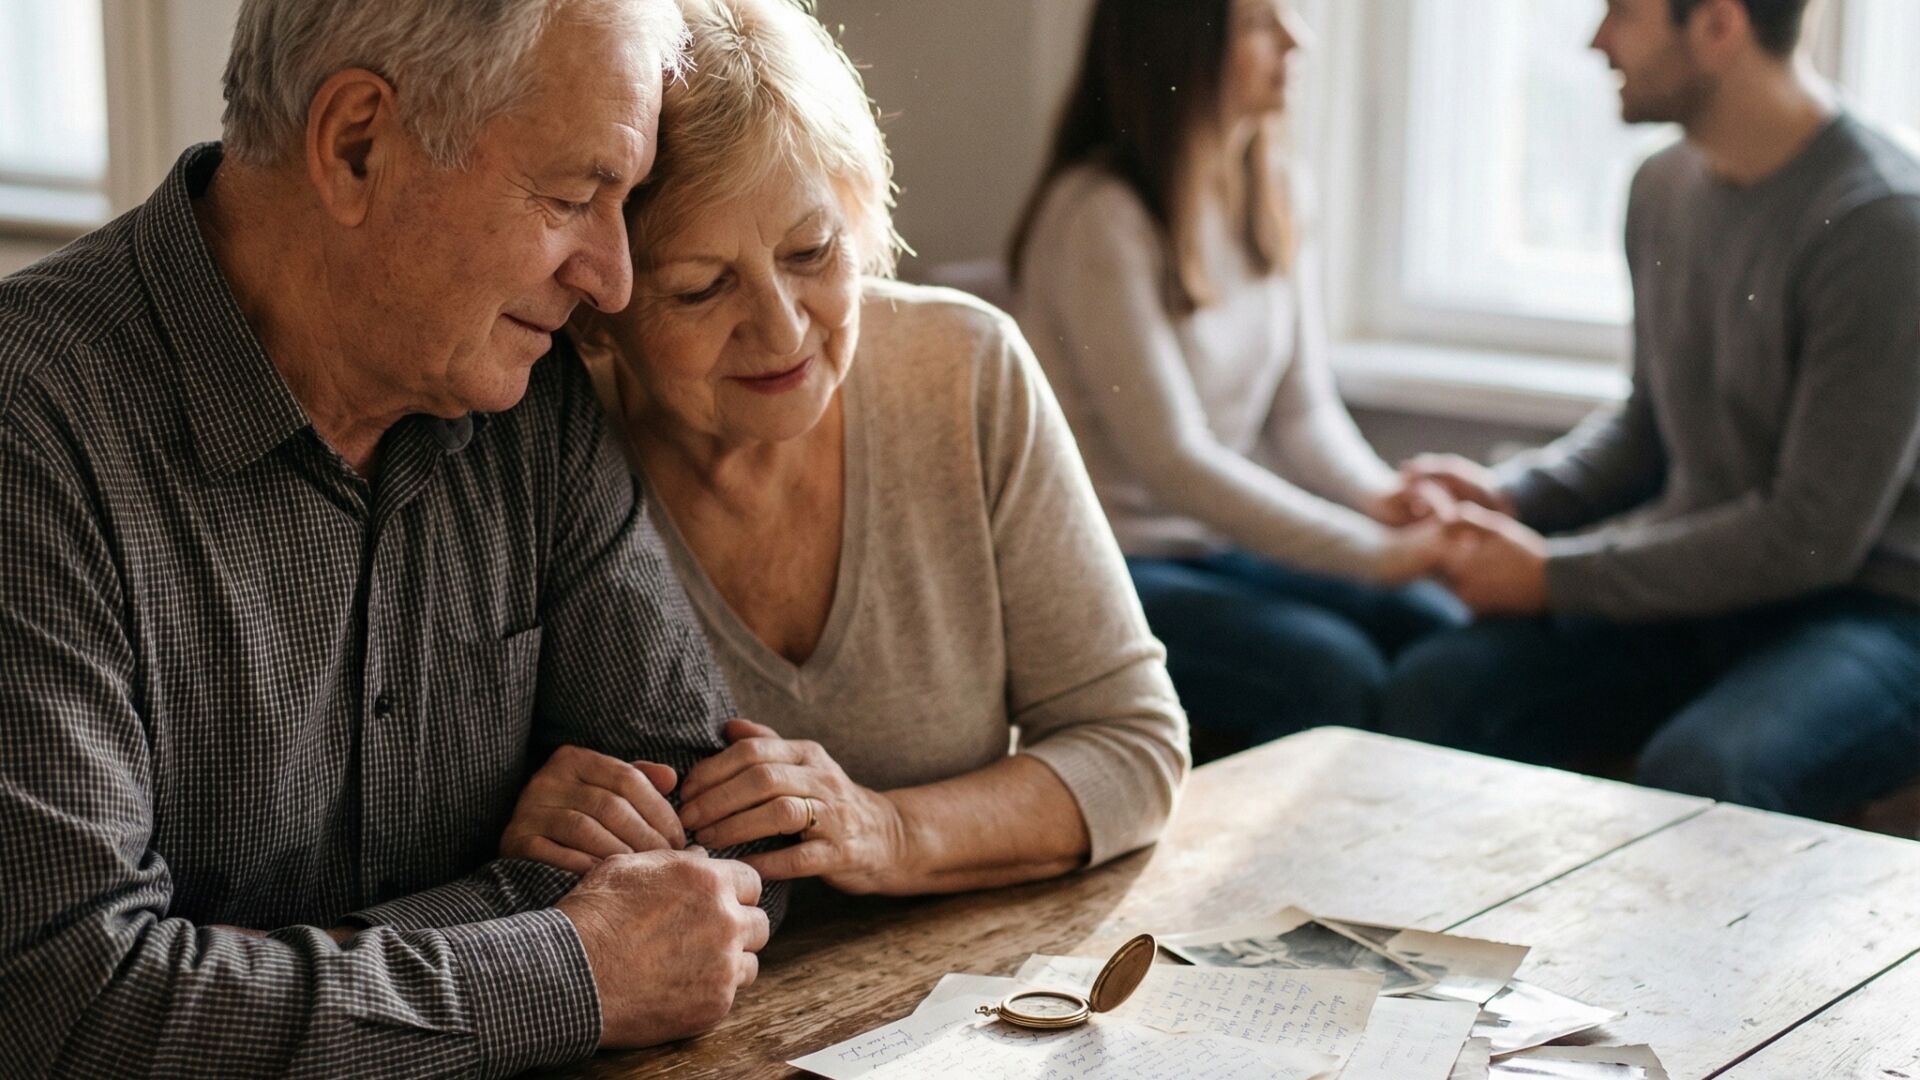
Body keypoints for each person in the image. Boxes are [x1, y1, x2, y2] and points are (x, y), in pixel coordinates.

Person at [0, 1, 788, 1074]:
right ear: (357, 146)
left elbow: (717, 852)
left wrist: (268, 978)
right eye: (570, 197)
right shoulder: (30, 429)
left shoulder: (528, 393)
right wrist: (567, 967)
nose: (612, 278)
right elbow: (74, 1012)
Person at [544, 0, 1189, 896]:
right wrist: (530, 822)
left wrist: (890, 830)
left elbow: (1134, 746)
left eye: (812, 251)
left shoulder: (966, 370)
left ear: (860, 215)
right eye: (699, 289)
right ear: (598, 309)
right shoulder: (546, 438)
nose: (780, 332)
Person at [1382, 0, 1920, 819]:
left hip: (1871, 611)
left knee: (1706, 770)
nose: (1595, 41)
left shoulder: (1881, 224)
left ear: (1719, 26)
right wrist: (1516, 496)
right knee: (1436, 687)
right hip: (1701, 587)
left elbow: (1809, 536)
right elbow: (1649, 426)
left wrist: (1553, 578)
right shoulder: (1661, 186)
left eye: (1622, 12)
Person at [1008, 0, 1467, 759]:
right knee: (1331, 670)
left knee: (1438, 626)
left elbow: (1305, 414)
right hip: (1111, 563)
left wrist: (1381, 501)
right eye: (1262, 23)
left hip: (1211, 547)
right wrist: (1371, 552)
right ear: (1180, 42)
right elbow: (1175, 462)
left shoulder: (1279, 187)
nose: (1299, 39)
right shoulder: (1098, 216)